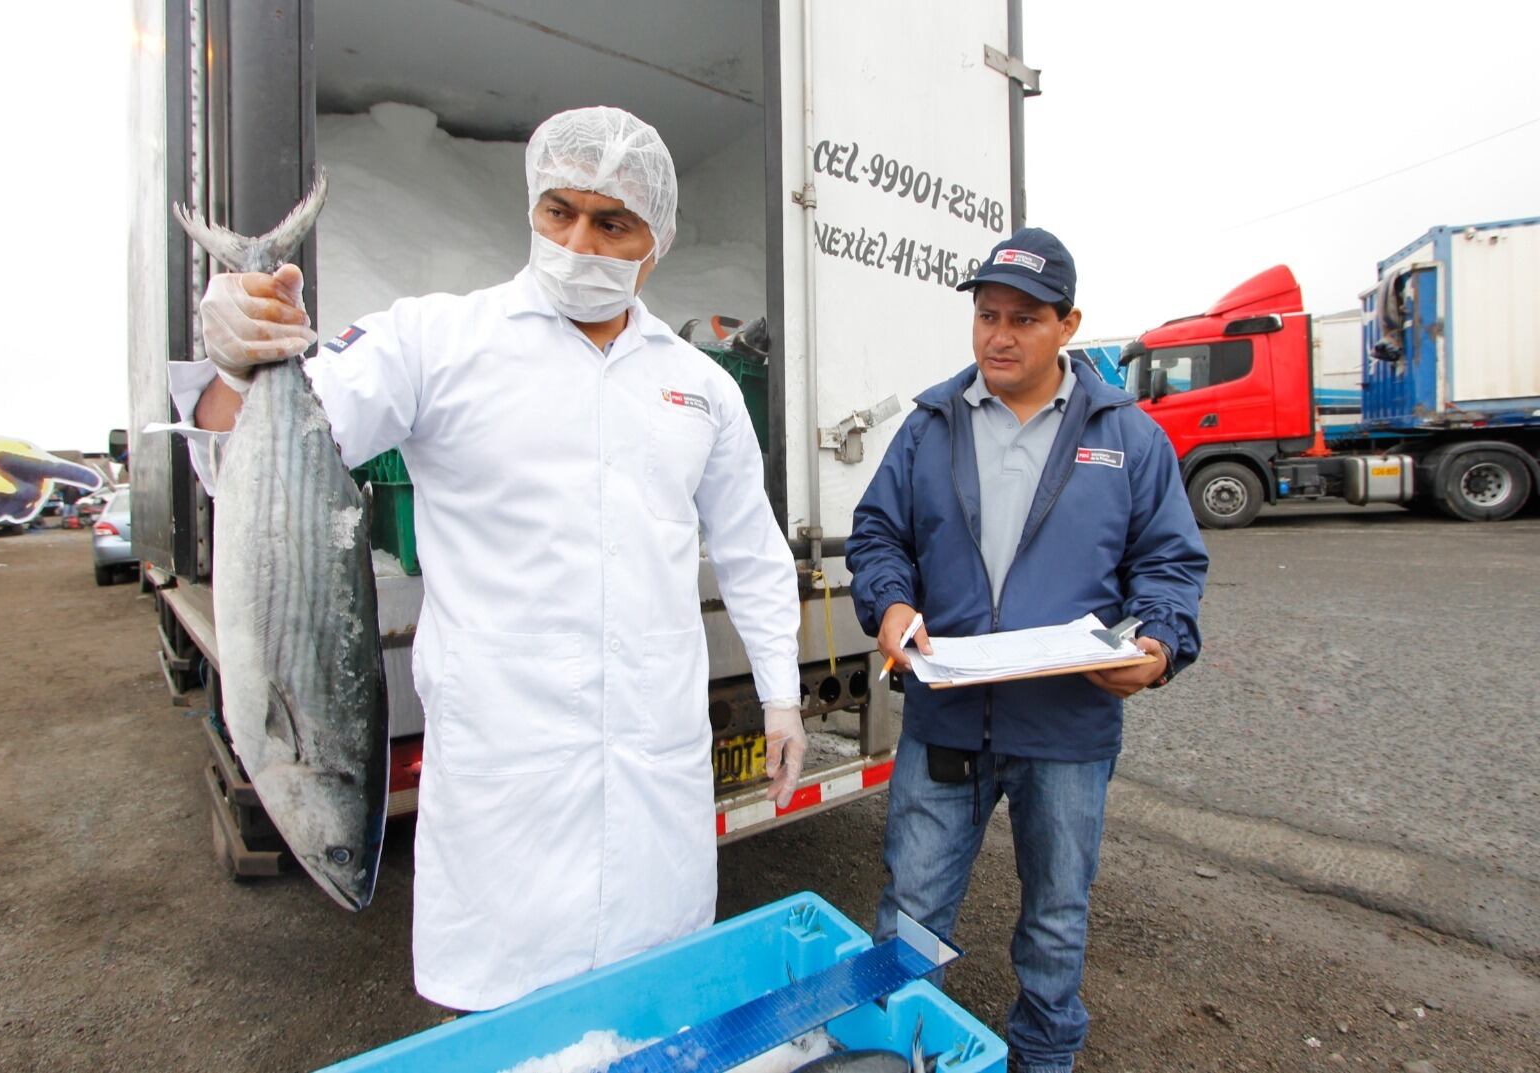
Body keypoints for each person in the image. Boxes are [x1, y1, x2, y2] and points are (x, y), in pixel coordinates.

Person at [169, 106, 807, 1012]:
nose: (579, 239)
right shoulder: (435, 341)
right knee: (508, 1033)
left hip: (653, 786)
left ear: (654, 242)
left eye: (611, 221)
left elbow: (751, 550)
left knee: (654, 1022)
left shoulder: (700, 386)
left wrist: (780, 695)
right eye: (559, 211)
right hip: (505, 795)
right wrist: (236, 363)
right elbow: (266, 463)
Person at [845, 228, 1208, 1073]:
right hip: (947, 717)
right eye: (986, 315)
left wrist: (1156, 647)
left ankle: (1043, 1059)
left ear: (1068, 324)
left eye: (1025, 319)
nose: (1000, 336)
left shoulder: (1129, 437)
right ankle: (890, 1051)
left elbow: (1169, 564)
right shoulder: (931, 425)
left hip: (1067, 728)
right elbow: (877, 536)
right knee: (911, 908)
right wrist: (891, 603)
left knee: (1054, 920)